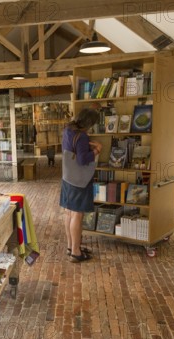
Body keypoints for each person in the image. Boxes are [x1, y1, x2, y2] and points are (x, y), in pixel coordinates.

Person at [59, 108, 102, 263]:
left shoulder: (68, 130)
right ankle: (76, 253)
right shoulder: (82, 136)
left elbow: (73, 152)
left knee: (69, 213)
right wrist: (97, 150)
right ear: (90, 123)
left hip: (67, 177)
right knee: (77, 214)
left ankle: (71, 247)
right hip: (79, 181)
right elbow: (82, 160)